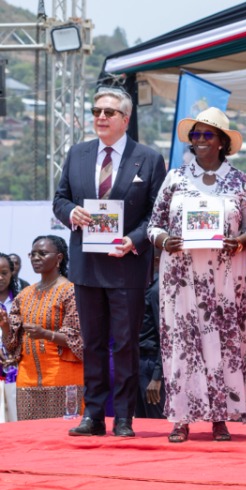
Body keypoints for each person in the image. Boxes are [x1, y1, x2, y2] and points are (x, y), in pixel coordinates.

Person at [148, 107, 246, 442]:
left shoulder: (240, 180)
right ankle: (182, 417)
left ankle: (220, 416)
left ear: (222, 142)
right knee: (184, 342)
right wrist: (163, 240)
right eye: (196, 135)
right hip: (182, 275)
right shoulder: (174, 178)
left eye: (208, 135)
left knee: (225, 342)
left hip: (227, 275)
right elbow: (153, 224)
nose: (200, 141)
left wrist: (241, 241)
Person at [52, 87, 166, 437]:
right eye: (96, 111)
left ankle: (125, 418)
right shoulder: (77, 154)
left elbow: (157, 213)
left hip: (127, 267)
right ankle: (94, 415)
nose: (100, 117)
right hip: (87, 267)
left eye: (109, 112)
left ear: (125, 119)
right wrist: (72, 212)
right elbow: (59, 199)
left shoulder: (147, 158)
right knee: (94, 343)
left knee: (126, 343)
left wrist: (133, 240)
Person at [0, 236, 84, 420]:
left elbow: (79, 339)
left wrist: (45, 334)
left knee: (62, 438)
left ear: (59, 258)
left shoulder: (70, 291)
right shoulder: (24, 295)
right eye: (33, 254)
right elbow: (12, 344)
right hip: (27, 380)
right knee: (30, 439)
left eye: (43, 253)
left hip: (63, 377)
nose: (35, 258)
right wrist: (5, 326)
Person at [135, 254, 164, 419]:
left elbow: (165, 335)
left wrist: (157, 377)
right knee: (142, 426)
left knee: (157, 424)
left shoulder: (158, 289)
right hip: (139, 363)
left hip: (152, 365)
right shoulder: (142, 285)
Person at [0, 253, 21, 421]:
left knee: (13, 422)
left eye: (4, 273)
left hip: (15, 372)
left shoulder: (21, 300)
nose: (0, 277)